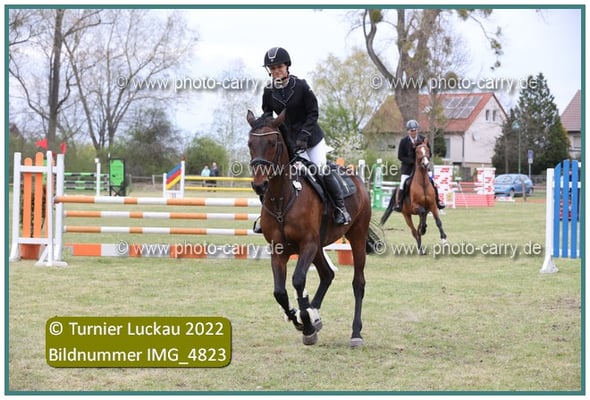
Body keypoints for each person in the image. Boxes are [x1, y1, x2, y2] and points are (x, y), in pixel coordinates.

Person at [253, 46, 351, 233]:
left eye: (279, 67)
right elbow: (267, 116)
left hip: (311, 139)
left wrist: (304, 136)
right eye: (272, 68)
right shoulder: (268, 91)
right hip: (288, 143)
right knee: (271, 174)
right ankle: (267, 216)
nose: (276, 71)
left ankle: (340, 208)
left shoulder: (301, 86)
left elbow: (313, 112)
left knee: (320, 168)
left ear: (287, 66)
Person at [393, 119, 445, 212]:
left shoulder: (423, 140)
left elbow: (430, 153)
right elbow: (400, 156)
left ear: (417, 130)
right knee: (403, 184)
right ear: (408, 131)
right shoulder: (403, 141)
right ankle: (399, 203)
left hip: (423, 168)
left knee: (433, 182)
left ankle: (438, 201)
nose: (413, 132)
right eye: (411, 130)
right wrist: (412, 162)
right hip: (408, 169)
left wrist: (424, 160)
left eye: (415, 130)